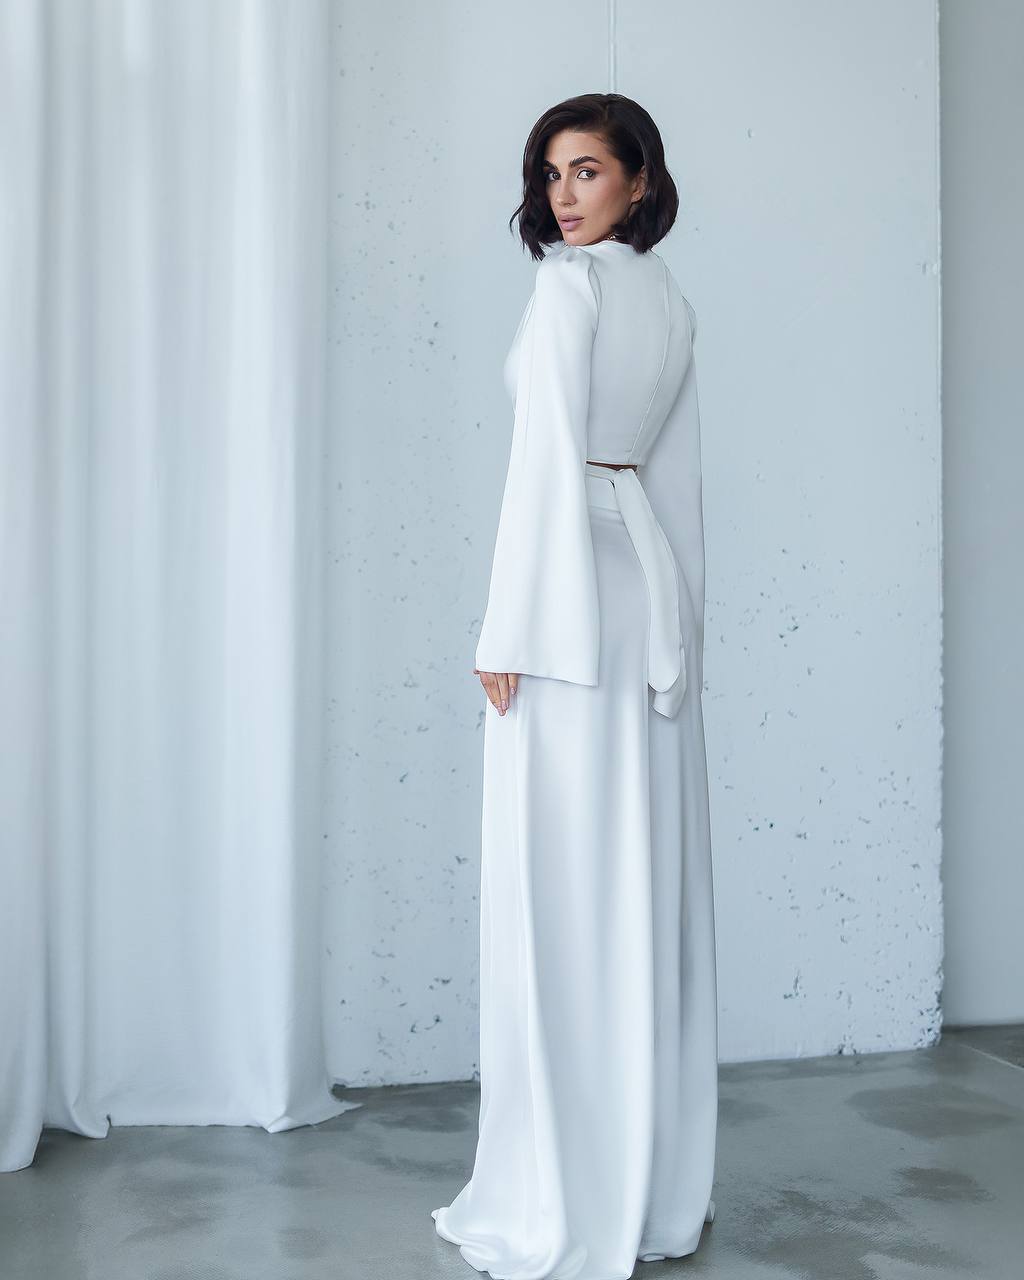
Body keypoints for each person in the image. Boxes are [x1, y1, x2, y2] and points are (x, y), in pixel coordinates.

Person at [431, 92, 717, 1280]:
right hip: (639, 585)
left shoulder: (570, 286)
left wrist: (506, 627)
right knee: (635, 887)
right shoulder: (670, 298)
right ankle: (645, 1195)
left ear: (640, 181)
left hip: (561, 603)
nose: (563, 193)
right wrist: (680, 631)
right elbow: (675, 478)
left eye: (588, 170)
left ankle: (558, 1198)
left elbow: (541, 460)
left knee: (559, 896)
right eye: (552, 172)